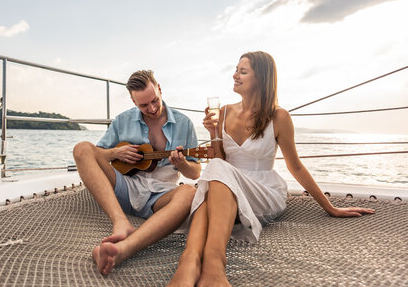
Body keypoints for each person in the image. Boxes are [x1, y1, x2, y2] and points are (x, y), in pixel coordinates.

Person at [168, 51, 375, 287]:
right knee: (215, 172)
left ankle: (212, 264)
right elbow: (221, 159)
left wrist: (330, 207)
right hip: (224, 185)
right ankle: (191, 261)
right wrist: (214, 133)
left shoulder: (279, 116)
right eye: (236, 69)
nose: (234, 75)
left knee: (214, 175)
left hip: (262, 189)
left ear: (261, 79)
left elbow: (295, 166)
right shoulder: (223, 111)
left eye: (242, 71)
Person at [73, 70, 202, 276]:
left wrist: (183, 163)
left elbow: (195, 172)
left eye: (155, 101)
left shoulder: (184, 123)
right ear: (133, 101)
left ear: (159, 89)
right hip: (124, 188)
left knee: (189, 192)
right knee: (81, 148)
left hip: (160, 198)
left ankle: (125, 249)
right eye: (143, 105)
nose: (151, 108)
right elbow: (95, 155)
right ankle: (121, 222)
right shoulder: (122, 120)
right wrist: (116, 152)